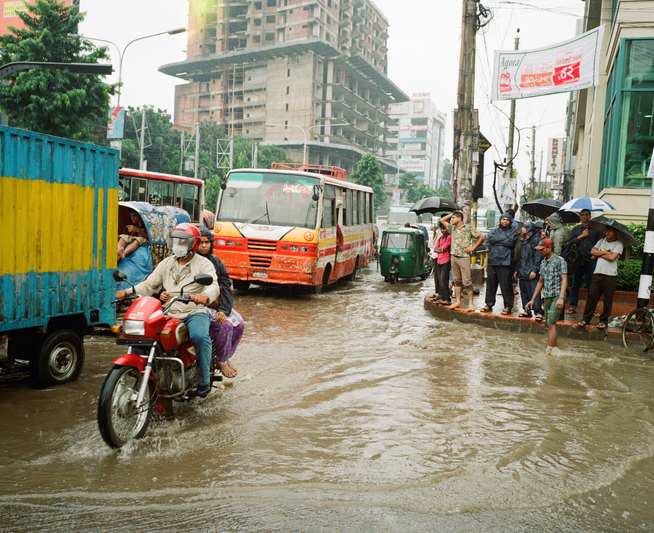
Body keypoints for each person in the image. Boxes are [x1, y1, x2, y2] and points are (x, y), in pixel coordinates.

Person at [115, 223, 219, 397]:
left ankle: (203, 380)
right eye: (175, 240)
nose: (177, 244)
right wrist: (128, 291)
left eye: (182, 241)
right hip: (168, 311)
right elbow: (149, 285)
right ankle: (139, 375)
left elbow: (214, 286)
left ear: (192, 244)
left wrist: (205, 296)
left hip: (194, 311)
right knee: (144, 333)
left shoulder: (204, 264)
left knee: (200, 336)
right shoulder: (166, 263)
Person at [197, 226, 244, 378]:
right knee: (225, 326)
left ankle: (224, 357)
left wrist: (223, 310)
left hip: (216, 304)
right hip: (198, 304)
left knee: (239, 323)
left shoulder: (216, 261)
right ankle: (221, 360)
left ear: (211, 243)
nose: (203, 246)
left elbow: (226, 286)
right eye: (200, 242)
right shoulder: (190, 260)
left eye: (207, 242)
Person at [526, 238, 567, 355]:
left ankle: (548, 351)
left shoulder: (560, 260)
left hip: (557, 296)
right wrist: (532, 300)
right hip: (548, 296)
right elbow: (540, 283)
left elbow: (564, 280)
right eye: (539, 250)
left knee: (551, 324)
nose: (540, 252)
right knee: (550, 323)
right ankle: (555, 350)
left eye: (542, 249)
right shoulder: (543, 262)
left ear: (549, 248)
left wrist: (560, 297)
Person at [577, 227, 624, 329]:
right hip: (597, 273)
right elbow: (592, 252)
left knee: (608, 299)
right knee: (592, 296)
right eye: (607, 230)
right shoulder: (601, 241)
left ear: (616, 232)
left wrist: (599, 253)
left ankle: (603, 320)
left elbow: (612, 258)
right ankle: (586, 318)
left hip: (610, 275)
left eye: (610, 231)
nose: (608, 233)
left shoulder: (619, 244)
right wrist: (606, 252)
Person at [440, 211, 485, 312]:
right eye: (452, 218)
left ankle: (471, 303)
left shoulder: (468, 228)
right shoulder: (452, 228)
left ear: (460, 219)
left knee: (467, 281)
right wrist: (452, 214)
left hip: (464, 257)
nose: (452, 220)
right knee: (457, 281)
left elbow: (482, 237)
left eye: (454, 218)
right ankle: (458, 302)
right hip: (454, 257)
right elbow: (442, 220)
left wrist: (472, 248)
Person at [479, 212, 519, 315]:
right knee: (490, 284)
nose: (505, 221)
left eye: (507, 220)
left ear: (510, 221)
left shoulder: (514, 232)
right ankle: (489, 304)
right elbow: (490, 240)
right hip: (493, 261)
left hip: (505, 262)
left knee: (506, 285)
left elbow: (511, 243)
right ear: (500, 220)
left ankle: (508, 306)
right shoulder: (494, 231)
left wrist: (497, 241)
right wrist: (504, 239)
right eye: (503, 219)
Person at [567, 209, 602, 315]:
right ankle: (572, 306)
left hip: (590, 260)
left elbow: (600, 244)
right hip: (577, 261)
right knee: (575, 285)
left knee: (592, 286)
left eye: (586, 215)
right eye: (582, 215)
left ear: (590, 216)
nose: (584, 216)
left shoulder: (596, 229)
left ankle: (591, 309)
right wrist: (581, 236)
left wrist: (595, 255)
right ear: (580, 217)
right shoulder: (576, 229)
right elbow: (571, 243)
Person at [514, 222, 543, 321]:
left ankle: (538, 312)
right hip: (522, 270)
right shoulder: (523, 240)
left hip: (531, 270)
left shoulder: (535, 240)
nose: (522, 229)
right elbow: (520, 257)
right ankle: (527, 310)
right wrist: (517, 270)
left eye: (524, 227)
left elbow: (537, 257)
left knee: (534, 291)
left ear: (529, 228)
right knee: (524, 291)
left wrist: (535, 270)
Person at [433, 221, 452, 305]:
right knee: (440, 280)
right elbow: (435, 249)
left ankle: (447, 298)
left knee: (444, 280)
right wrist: (440, 249)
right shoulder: (440, 238)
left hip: (446, 260)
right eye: (441, 229)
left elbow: (443, 248)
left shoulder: (449, 237)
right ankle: (443, 297)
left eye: (444, 228)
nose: (442, 230)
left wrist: (439, 249)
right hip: (439, 260)